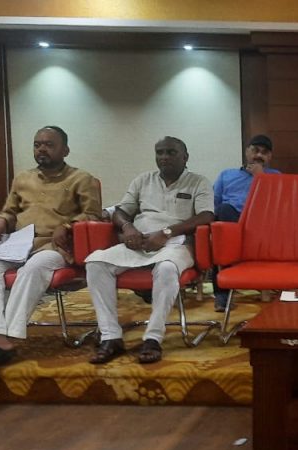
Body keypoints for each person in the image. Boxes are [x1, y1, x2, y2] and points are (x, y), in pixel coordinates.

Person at [0, 126, 101, 369]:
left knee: (34, 267)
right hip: (19, 243)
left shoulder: (81, 179)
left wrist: (68, 225)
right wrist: (1, 220)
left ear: (65, 150)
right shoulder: (22, 179)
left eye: (49, 144)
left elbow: (94, 215)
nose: (42, 149)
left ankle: (5, 338)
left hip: (55, 247)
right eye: (37, 144)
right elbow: (10, 211)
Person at [85, 137, 214, 364]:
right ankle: (111, 336)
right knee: (96, 263)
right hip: (140, 242)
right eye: (160, 152)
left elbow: (206, 216)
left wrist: (166, 233)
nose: (164, 157)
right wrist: (128, 228)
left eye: (171, 152)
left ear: (185, 157)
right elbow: (121, 211)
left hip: (176, 243)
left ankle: (153, 338)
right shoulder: (143, 180)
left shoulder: (198, 182)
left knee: (166, 269)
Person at [211, 134, 279, 311]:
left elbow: (278, 205)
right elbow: (213, 204)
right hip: (231, 222)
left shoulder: (275, 176)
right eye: (255, 150)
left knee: (224, 234)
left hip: (262, 225)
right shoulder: (227, 175)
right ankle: (222, 295)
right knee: (223, 213)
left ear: (270, 157)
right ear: (247, 151)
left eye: (264, 152)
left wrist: (260, 177)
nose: (259, 155)